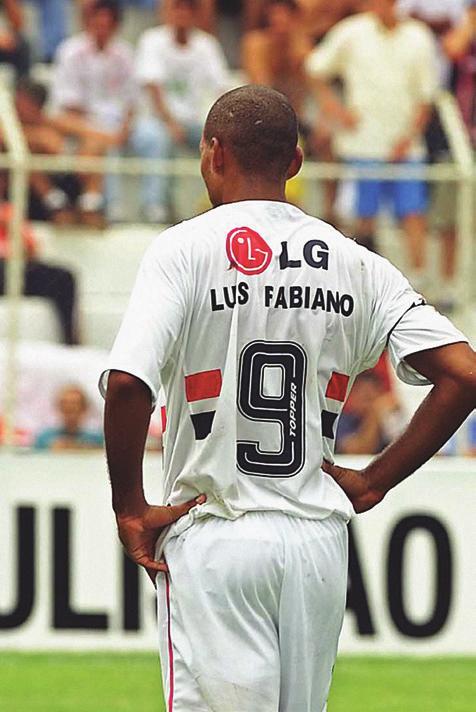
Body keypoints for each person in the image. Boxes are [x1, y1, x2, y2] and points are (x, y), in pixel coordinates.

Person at [101, 86, 475, 711]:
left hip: (215, 531)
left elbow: (126, 383)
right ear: (296, 164)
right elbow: (464, 373)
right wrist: (377, 478)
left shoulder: (183, 250)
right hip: (316, 546)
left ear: (213, 154)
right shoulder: (359, 264)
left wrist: (129, 507)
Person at [306, 0, 437, 288]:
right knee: (363, 217)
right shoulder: (351, 32)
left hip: (406, 146)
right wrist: (334, 109)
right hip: (361, 144)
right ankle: (359, 285)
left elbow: (426, 96)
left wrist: (408, 137)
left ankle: (419, 283)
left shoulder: (419, 36)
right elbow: (315, 68)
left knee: (412, 213)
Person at [50, 0, 152, 224]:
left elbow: (132, 101)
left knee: (151, 137)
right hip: (78, 120)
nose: (102, 29)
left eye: (107, 24)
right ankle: (102, 204)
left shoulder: (125, 53)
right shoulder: (70, 51)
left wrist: (124, 127)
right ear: (87, 23)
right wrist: (103, 128)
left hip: (113, 124)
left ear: (116, 26)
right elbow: (67, 104)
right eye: (97, 24)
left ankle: (153, 205)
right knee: (98, 140)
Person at [135, 0, 230, 221]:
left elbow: (221, 88)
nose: (181, 14)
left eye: (187, 9)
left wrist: (217, 125)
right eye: (177, 8)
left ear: (194, 14)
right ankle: (154, 206)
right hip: (155, 120)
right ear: (167, 12)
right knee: (158, 139)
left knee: (224, 142)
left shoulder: (207, 45)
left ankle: (217, 205)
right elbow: (153, 87)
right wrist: (169, 122)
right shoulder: (152, 40)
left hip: (195, 122)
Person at [35, 385, 103, 450]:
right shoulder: (44, 439)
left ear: (84, 409)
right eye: (65, 407)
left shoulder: (97, 439)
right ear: (59, 408)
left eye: (74, 407)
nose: (70, 409)